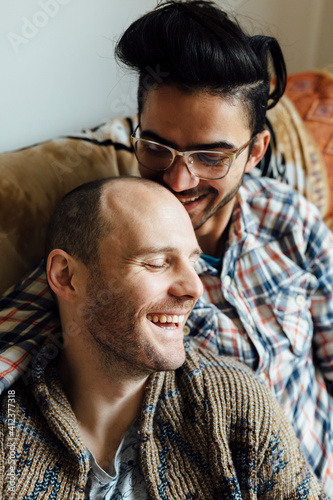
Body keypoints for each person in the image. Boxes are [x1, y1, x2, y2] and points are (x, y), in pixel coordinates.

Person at [0, 0, 332, 496]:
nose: (179, 179)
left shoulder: (291, 219)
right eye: (157, 148)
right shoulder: (105, 248)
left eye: (211, 156)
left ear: (255, 152)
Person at [0, 177, 327, 499]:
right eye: (157, 262)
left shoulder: (240, 407)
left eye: (194, 262)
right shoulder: (9, 435)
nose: (194, 288)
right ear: (65, 276)